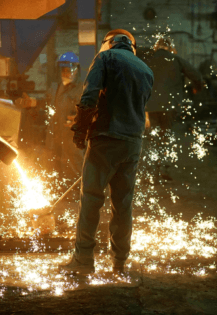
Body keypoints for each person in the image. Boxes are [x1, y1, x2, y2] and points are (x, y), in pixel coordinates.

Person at [58, 29, 154, 275]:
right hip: (133, 143)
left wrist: (80, 131)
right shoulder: (146, 70)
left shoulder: (105, 58)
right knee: (123, 205)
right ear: (131, 46)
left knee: (91, 199)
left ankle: (83, 260)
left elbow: (89, 96)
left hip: (105, 138)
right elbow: (142, 112)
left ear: (109, 43)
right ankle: (119, 263)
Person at [144, 38, 203, 180]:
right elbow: (196, 76)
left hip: (150, 106)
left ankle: (153, 170)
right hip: (170, 106)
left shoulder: (148, 61)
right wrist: (197, 88)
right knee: (166, 135)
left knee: (153, 136)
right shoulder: (176, 59)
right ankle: (165, 169)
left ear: (156, 48)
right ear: (170, 48)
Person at [42, 52, 84, 183]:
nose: (66, 73)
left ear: (77, 71)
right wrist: (32, 102)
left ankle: (77, 194)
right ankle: (59, 191)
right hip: (55, 134)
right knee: (54, 164)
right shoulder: (55, 88)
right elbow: (47, 104)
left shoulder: (81, 90)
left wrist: (78, 119)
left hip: (72, 136)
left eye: (69, 70)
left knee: (74, 164)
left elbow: (90, 111)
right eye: (63, 70)